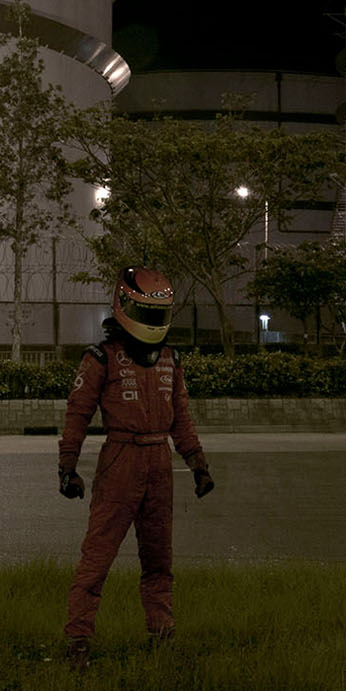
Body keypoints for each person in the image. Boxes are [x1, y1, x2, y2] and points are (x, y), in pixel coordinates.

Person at [57, 265, 215, 664]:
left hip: (159, 463)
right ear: (124, 307)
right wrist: (67, 467)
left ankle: (162, 635)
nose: (152, 322)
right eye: (145, 312)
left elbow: (181, 418)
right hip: (121, 460)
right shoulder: (101, 358)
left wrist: (197, 463)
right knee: (97, 558)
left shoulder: (170, 360)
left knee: (159, 560)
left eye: (158, 314)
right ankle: (78, 640)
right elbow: (77, 415)